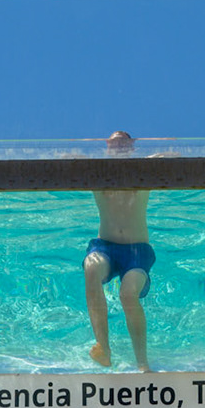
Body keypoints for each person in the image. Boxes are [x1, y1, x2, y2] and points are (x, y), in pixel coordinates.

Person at [83, 130, 154, 370]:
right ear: (106, 147)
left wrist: (158, 153)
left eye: (124, 143)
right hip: (105, 247)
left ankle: (142, 362)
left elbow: (169, 155)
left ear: (133, 146)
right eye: (114, 144)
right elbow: (70, 157)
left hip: (137, 251)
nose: (119, 147)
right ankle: (103, 348)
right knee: (91, 268)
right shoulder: (96, 173)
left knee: (127, 294)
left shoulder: (144, 172)